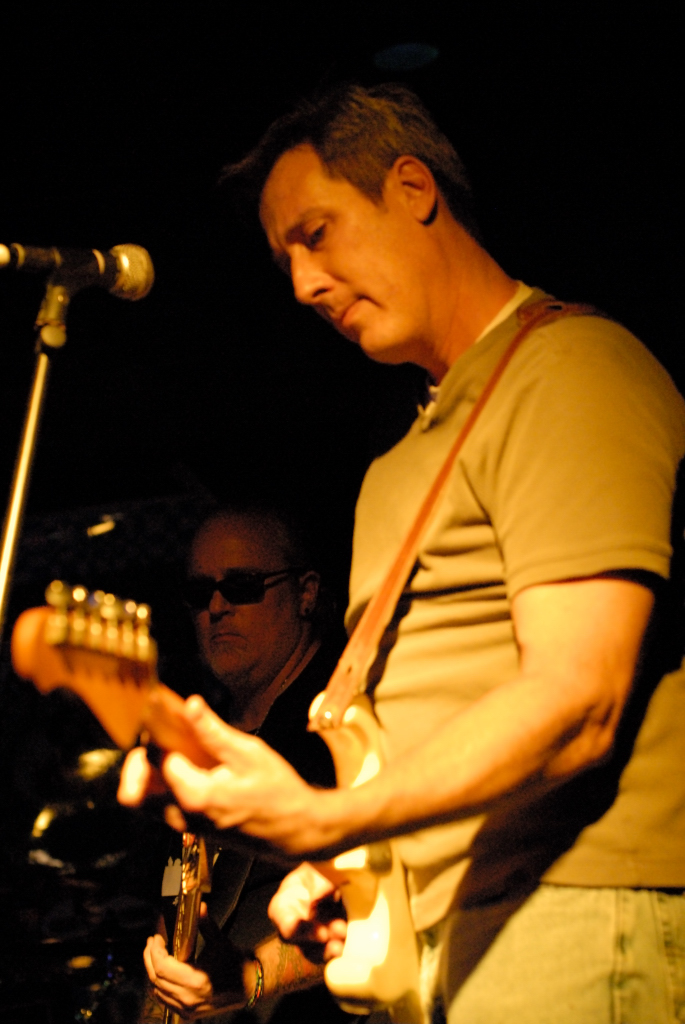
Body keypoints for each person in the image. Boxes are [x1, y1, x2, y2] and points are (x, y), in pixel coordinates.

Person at [122, 84, 685, 1023]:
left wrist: (327, 818)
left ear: (413, 188)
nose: (302, 285)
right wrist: (344, 866)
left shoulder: (571, 369)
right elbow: (410, 741)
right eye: (285, 260)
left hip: (576, 915)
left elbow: (578, 698)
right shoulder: (395, 469)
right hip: (444, 943)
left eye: (317, 235)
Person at [140, 504, 350, 1022]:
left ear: (305, 593)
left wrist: (253, 979)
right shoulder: (199, 743)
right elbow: (176, 904)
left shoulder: (347, 725)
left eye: (242, 586)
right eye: (199, 592)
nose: (216, 606)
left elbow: (379, 901)